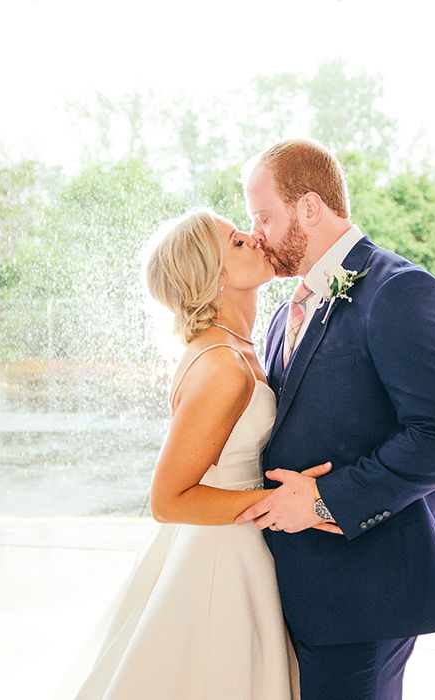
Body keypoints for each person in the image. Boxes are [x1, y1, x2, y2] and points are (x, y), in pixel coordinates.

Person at [72, 208, 330, 699]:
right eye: (236, 243)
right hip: (219, 560)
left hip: (238, 547)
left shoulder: (238, 347)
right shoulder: (223, 367)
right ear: (211, 280)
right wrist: (292, 504)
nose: (254, 239)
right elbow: (169, 500)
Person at [234, 139, 435, 700]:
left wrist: (325, 499)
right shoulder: (285, 313)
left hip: (365, 594)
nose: (256, 234)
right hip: (298, 588)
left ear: (310, 207)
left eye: (263, 216)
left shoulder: (399, 290)